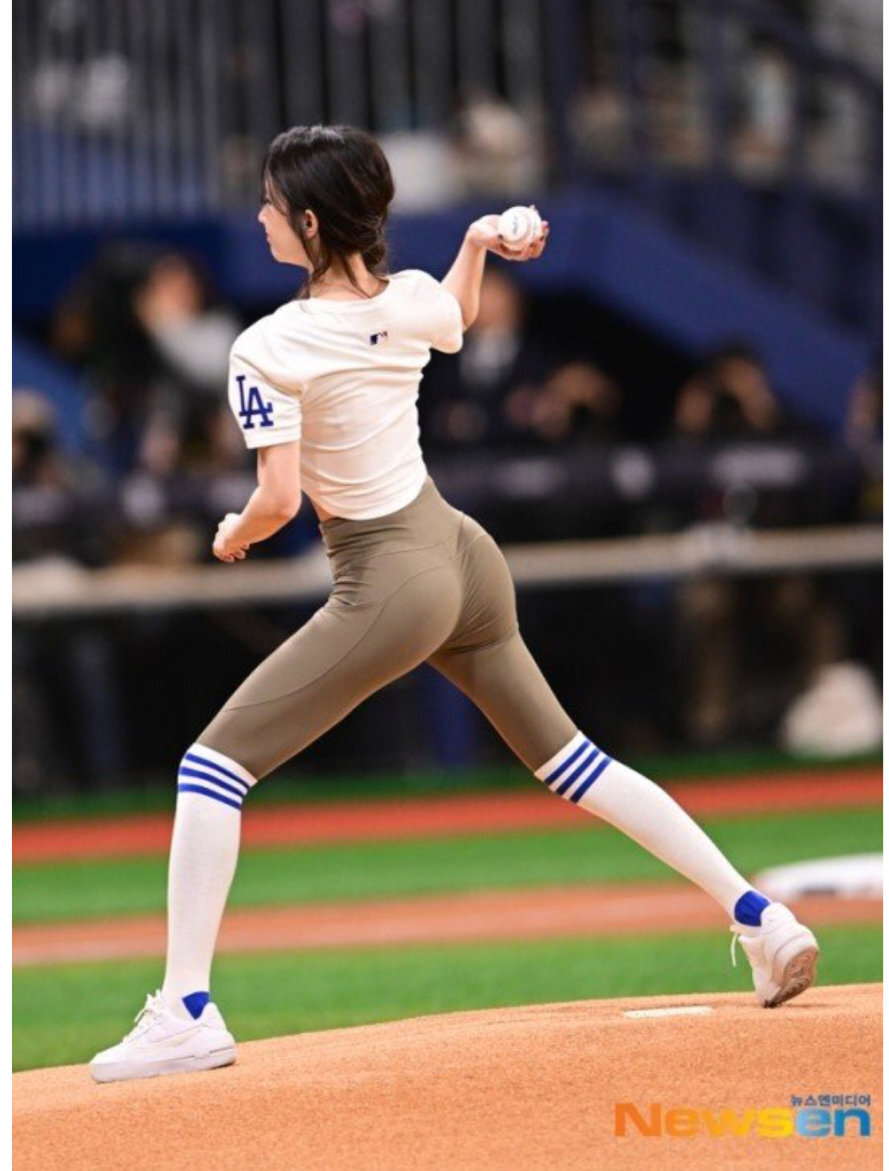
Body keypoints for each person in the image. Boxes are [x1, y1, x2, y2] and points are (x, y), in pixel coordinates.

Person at [89, 125, 819, 1083]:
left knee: (210, 767)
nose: (260, 216)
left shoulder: (267, 345)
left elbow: (277, 497)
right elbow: (458, 315)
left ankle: (186, 1007)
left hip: (390, 576)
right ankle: (761, 917)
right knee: (578, 763)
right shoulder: (410, 298)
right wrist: (475, 243)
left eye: (272, 203)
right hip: (463, 553)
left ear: (310, 224)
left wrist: (234, 531)